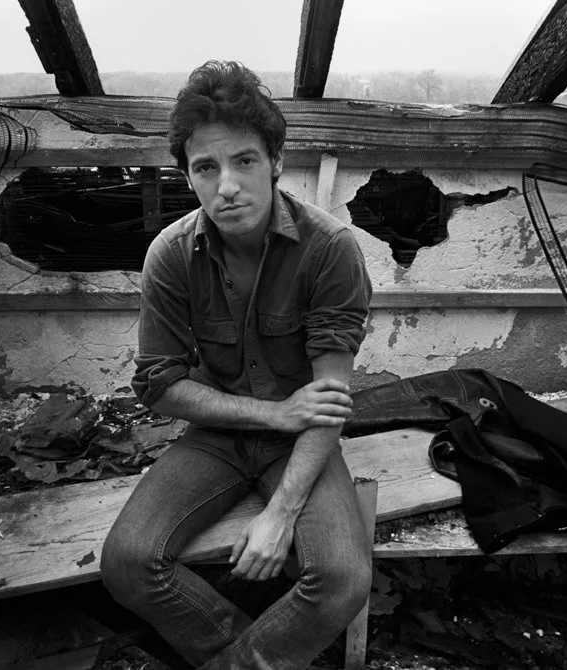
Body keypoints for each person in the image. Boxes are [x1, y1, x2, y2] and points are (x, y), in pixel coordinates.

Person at [100, 60, 374, 669]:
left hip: (304, 441)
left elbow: (327, 400)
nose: (227, 185)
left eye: (244, 161)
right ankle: (248, 651)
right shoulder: (171, 255)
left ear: (275, 160)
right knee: (127, 563)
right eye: (206, 167)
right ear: (188, 177)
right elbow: (161, 387)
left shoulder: (330, 249)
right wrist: (272, 412)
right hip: (219, 435)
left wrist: (280, 514)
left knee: (342, 578)